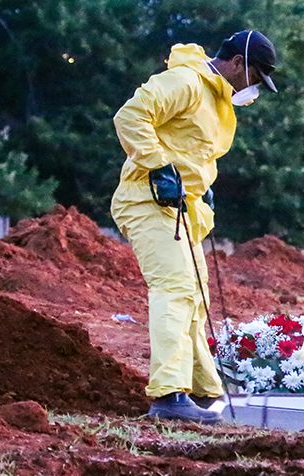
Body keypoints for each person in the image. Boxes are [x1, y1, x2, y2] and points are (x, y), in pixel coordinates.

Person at [111, 30, 278, 423]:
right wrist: (159, 166)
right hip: (146, 201)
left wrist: (201, 189)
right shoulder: (185, 81)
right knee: (175, 289)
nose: (254, 88)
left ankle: (204, 391)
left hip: (180, 208)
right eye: (254, 76)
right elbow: (130, 116)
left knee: (196, 297)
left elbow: (194, 149)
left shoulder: (217, 98)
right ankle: (168, 395)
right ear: (237, 63)